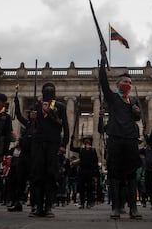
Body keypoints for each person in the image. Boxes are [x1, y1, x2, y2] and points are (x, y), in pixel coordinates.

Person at [99, 58, 142, 220]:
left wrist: (137, 112)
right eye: (125, 81)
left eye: (129, 82)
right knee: (115, 173)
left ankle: (133, 208)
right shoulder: (112, 97)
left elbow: (138, 119)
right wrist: (103, 63)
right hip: (115, 137)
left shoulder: (134, 100)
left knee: (131, 174)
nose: (128, 84)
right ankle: (116, 207)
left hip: (130, 138)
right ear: (117, 84)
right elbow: (103, 82)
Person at [28, 82, 69, 218]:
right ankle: (37, 206)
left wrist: (64, 144)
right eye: (46, 90)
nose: (49, 92)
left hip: (53, 143)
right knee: (37, 174)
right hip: (38, 142)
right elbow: (30, 128)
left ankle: (48, 206)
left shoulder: (60, 107)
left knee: (51, 174)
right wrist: (31, 119)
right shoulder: (36, 106)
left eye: (51, 90)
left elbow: (66, 127)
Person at [70, 136, 99, 209]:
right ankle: (82, 203)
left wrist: (95, 173)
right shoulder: (81, 149)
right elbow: (71, 148)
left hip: (90, 171)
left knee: (90, 188)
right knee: (81, 188)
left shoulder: (93, 150)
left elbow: (96, 162)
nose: (87, 141)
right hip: (82, 171)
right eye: (85, 140)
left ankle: (89, 203)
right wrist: (72, 140)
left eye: (88, 140)